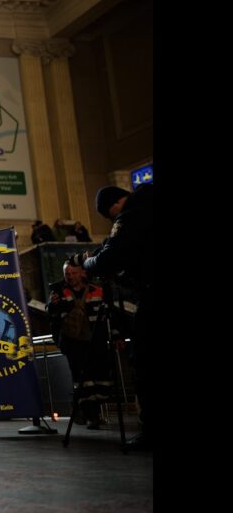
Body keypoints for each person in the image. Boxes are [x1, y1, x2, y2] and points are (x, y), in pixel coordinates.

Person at [82, 183, 153, 450]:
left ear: (114, 206)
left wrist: (88, 262)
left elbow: (108, 259)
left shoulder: (131, 214)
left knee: (144, 362)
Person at [48, 259, 110, 429]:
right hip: (73, 343)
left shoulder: (97, 290)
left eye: (73, 273)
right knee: (83, 379)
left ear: (82, 273)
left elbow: (109, 314)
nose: (70, 276)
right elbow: (51, 313)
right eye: (67, 273)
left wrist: (116, 335)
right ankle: (91, 415)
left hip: (96, 341)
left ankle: (81, 407)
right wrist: (53, 305)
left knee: (101, 379)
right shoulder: (59, 292)